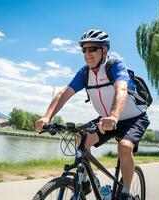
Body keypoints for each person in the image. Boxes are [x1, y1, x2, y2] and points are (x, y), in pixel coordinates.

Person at [36, 29, 150, 200]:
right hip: (106, 119)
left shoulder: (115, 66)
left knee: (125, 147)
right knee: (81, 138)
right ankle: (88, 180)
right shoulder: (85, 73)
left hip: (132, 118)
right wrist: (47, 117)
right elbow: (63, 94)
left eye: (93, 49)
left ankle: (125, 192)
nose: (87, 54)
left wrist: (113, 116)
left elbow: (121, 90)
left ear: (104, 50)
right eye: (84, 49)